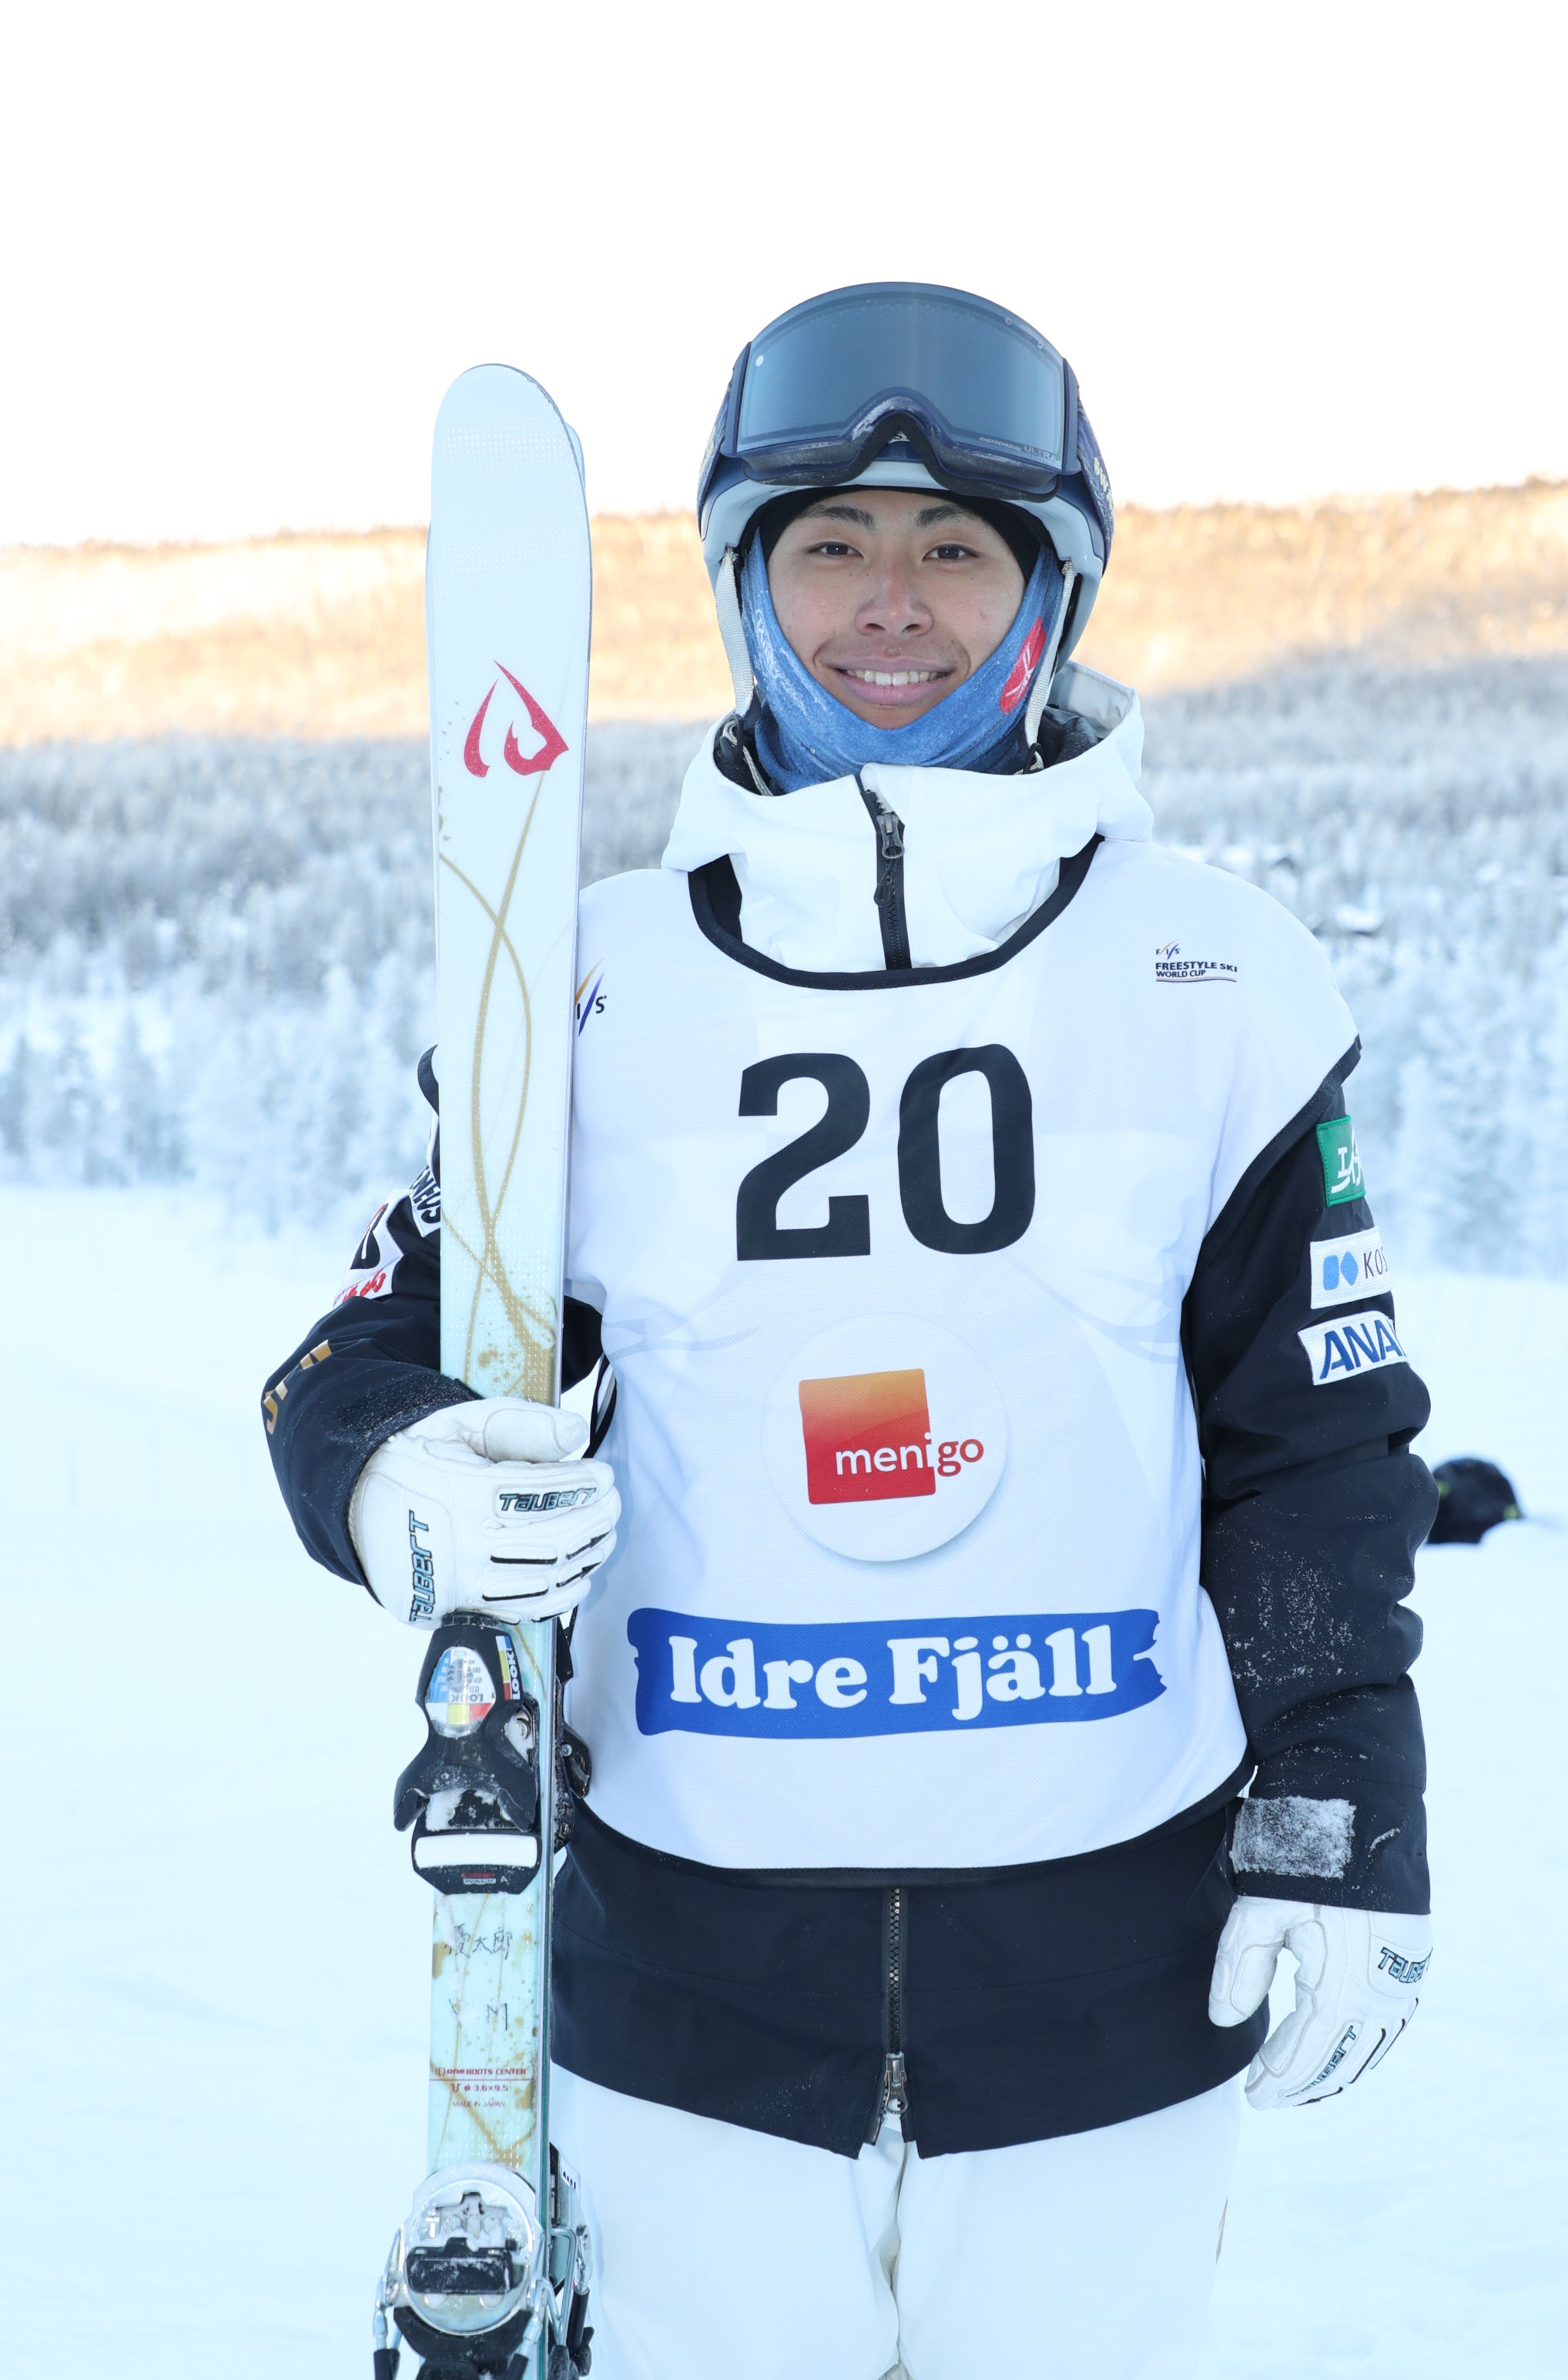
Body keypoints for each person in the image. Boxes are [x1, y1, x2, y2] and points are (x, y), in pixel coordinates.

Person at [263, 281, 1436, 2380]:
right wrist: (390, 1467)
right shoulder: (593, 987)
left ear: (1048, 592)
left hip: (1107, 1987)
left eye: (953, 547)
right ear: (740, 585)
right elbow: (361, 1360)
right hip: (690, 1991)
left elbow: (1315, 1448)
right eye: (829, 545)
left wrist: (1336, 1803)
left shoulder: (1213, 980)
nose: (887, 602)